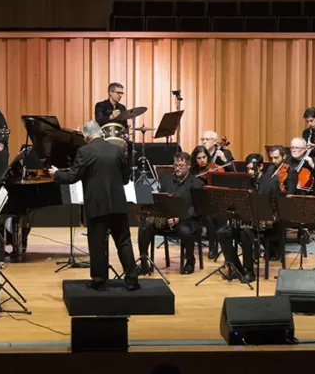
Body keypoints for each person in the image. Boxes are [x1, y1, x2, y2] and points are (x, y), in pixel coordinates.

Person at [49, 121, 139, 291]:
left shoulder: (84, 151)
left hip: (97, 206)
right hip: (118, 204)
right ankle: (132, 280)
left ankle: (99, 281)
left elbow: (72, 177)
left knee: (97, 243)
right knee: (124, 241)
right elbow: (125, 179)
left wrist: (56, 174)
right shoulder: (116, 149)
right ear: (101, 133)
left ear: (86, 136)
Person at [218, 147, 292, 280]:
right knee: (222, 233)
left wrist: (273, 217)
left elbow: (277, 205)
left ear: (261, 166)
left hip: (266, 225)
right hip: (247, 222)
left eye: (252, 169)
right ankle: (237, 268)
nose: (249, 172)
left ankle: (249, 271)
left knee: (244, 232)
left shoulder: (271, 183)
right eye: (247, 169)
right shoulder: (245, 183)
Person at [137, 152, 203, 275]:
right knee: (145, 224)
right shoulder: (166, 180)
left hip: (186, 220)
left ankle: (189, 260)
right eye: (176, 165)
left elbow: (197, 209)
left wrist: (179, 218)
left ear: (188, 165)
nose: (177, 168)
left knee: (185, 231)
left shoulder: (197, 184)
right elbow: (161, 201)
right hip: (166, 219)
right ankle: (144, 261)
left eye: (181, 165)